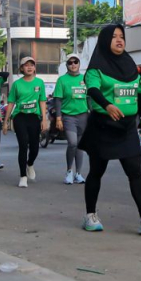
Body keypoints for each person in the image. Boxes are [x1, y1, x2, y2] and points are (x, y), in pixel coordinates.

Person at [81, 24, 141, 234]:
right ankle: (90, 215)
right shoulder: (96, 67)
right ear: (105, 41)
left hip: (127, 128)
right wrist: (107, 105)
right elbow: (93, 90)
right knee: (96, 172)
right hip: (102, 126)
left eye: (122, 36)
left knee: (135, 171)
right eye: (114, 37)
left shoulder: (130, 65)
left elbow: (139, 94)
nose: (119, 40)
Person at [4, 56, 48, 187]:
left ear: (34, 68)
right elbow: (11, 103)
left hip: (34, 117)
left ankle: (30, 164)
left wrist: (44, 119)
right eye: (26, 65)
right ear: (21, 68)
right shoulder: (17, 84)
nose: (29, 67)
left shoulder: (39, 83)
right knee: (23, 145)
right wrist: (6, 121)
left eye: (31, 65)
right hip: (20, 117)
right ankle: (23, 176)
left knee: (34, 147)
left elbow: (42, 101)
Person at [53, 54, 89, 184]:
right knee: (72, 143)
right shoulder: (62, 80)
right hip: (68, 116)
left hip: (83, 116)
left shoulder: (85, 79)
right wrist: (58, 118)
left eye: (75, 62)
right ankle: (69, 171)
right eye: (70, 62)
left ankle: (78, 173)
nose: (73, 64)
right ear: (67, 65)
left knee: (80, 145)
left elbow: (89, 98)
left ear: (79, 64)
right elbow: (58, 99)